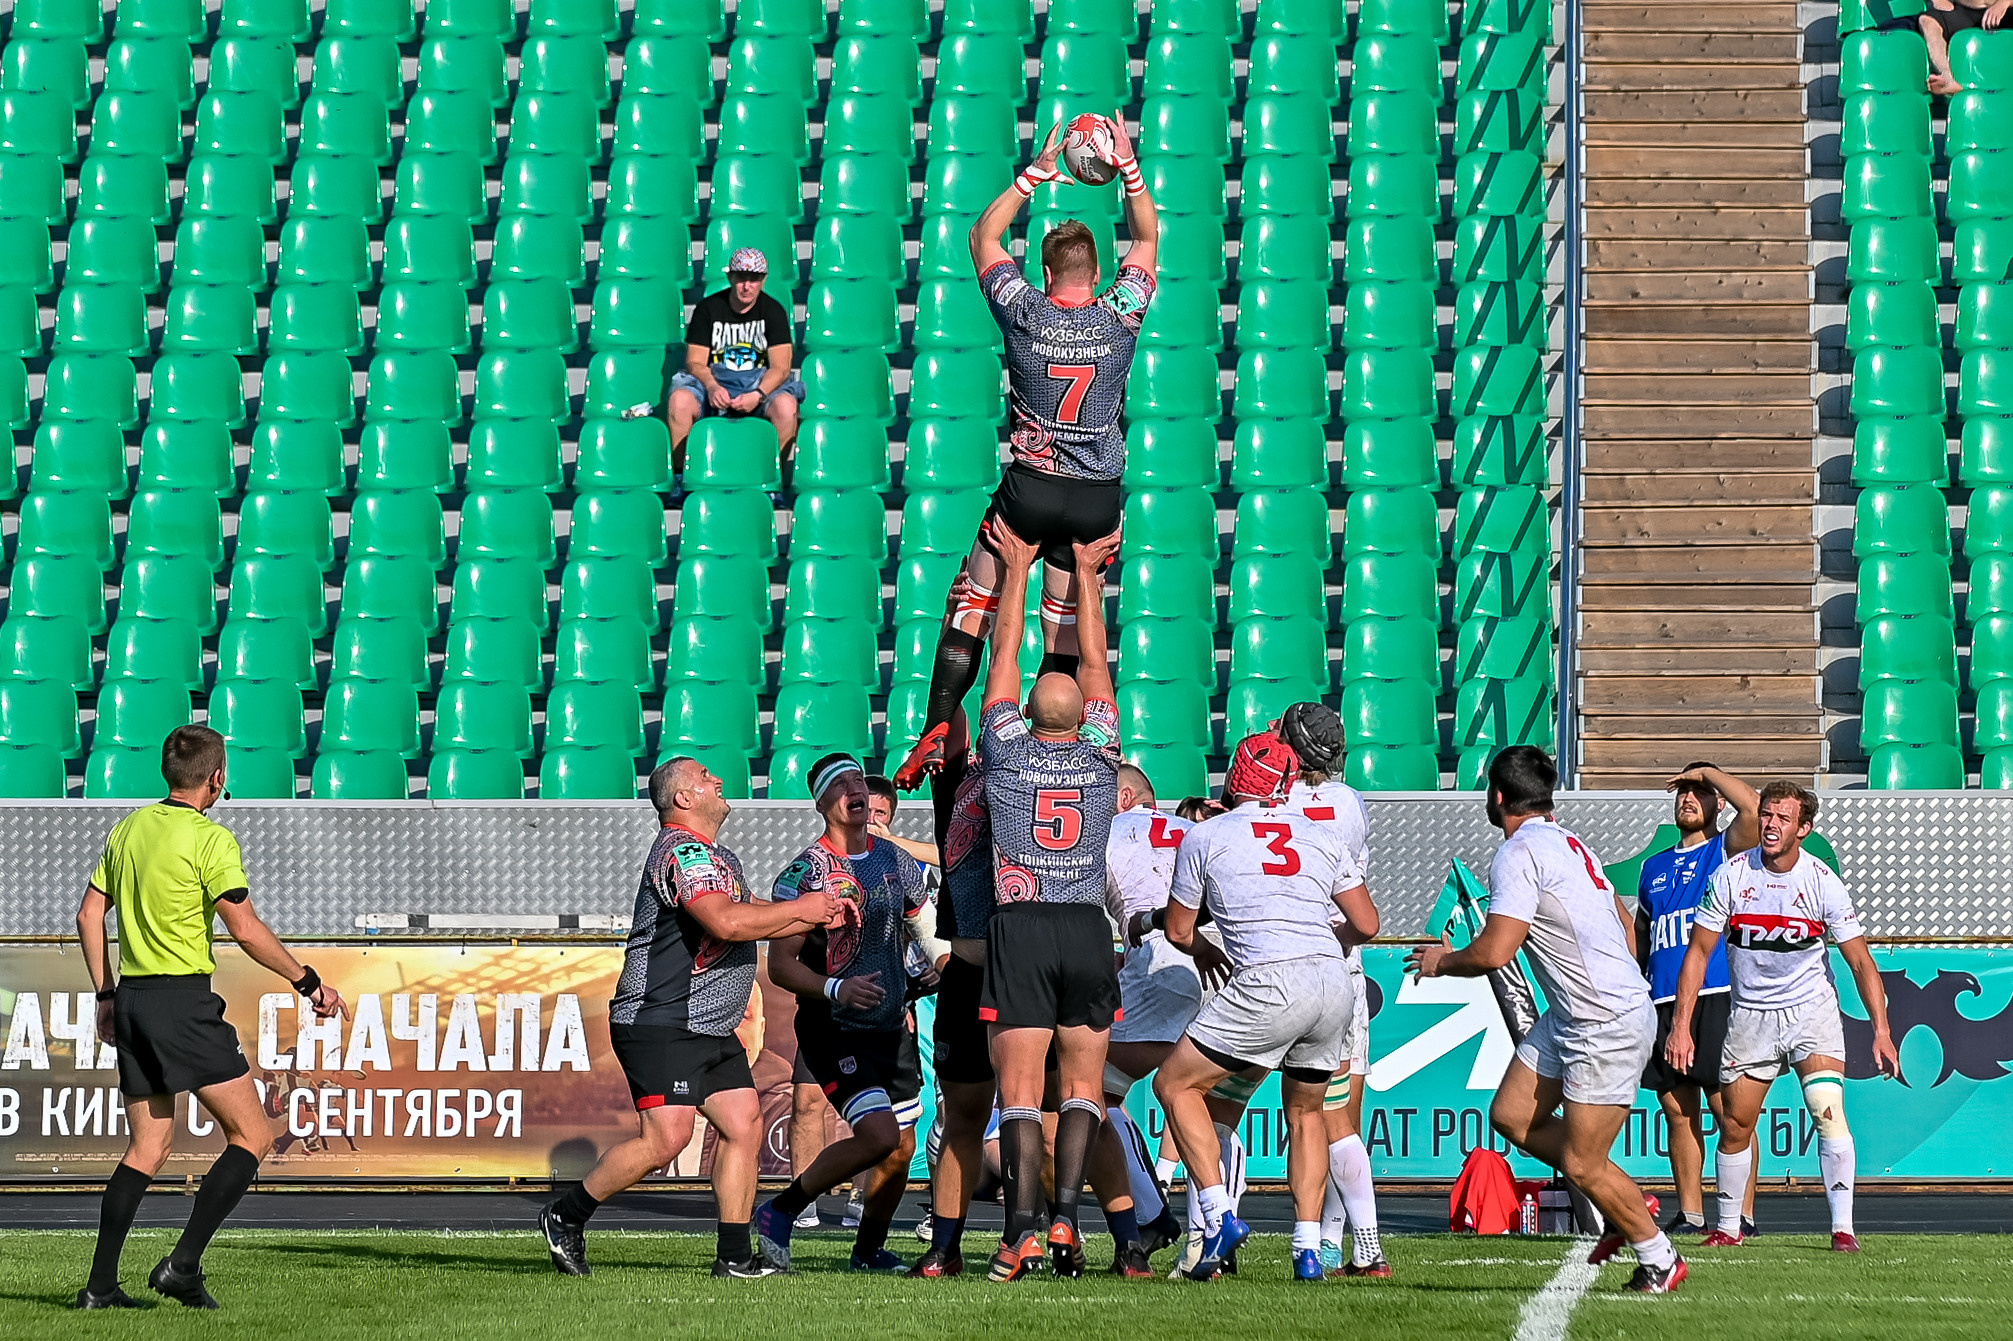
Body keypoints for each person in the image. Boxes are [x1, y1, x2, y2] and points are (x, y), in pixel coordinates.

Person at [891, 110, 1159, 791]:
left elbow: (982, 234)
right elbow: (1150, 236)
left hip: (1030, 488)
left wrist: (1040, 167)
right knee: (1064, 639)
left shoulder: (1023, 311)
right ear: (1098, 273)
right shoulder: (1120, 313)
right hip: (1096, 498)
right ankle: (1056, 755)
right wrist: (1126, 165)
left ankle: (941, 727)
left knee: (972, 605)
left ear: (1043, 271)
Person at [74, 725, 352, 1311]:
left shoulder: (128, 829)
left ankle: (100, 1288)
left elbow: (87, 915)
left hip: (133, 999)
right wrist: (307, 981)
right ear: (217, 778)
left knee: (147, 1149)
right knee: (252, 1135)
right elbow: (244, 928)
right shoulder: (211, 840)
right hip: (182, 1003)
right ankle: (181, 1266)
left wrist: (105, 996)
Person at [540, 757, 849, 1280]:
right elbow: (727, 922)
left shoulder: (718, 855)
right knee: (667, 1139)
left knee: (743, 1124)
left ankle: (732, 1257)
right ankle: (564, 1215)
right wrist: (808, 908)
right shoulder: (682, 851)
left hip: (707, 1025)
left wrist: (817, 914)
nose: (719, 779)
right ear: (683, 799)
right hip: (661, 1021)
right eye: (706, 776)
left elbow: (749, 913)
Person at [1406, 746, 1687, 1295]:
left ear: (1497, 797)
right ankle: (1619, 1194)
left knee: (1583, 1165)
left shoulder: (1516, 853)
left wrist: (1442, 961)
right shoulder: (1569, 841)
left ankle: (1658, 1256)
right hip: (1576, 1013)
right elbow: (1625, 924)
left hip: (1600, 1019)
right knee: (1511, 1116)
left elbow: (1494, 952)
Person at [1152, 731, 1380, 1284]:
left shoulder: (1206, 836)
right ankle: (1307, 1251)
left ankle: (1217, 1215)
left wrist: (1208, 947)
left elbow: (1180, 930)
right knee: (1306, 1116)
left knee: (1175, 1086)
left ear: (1234, 779)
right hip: (1332, 979)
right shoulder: (1321, 833)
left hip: (1266, 981)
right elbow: (1368, 925)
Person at [976, 520, 1126, 1281]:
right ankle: (1068, 1217)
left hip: (1021, 926)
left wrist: (1015, 570)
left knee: (1019, 1093)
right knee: (1082, 1088)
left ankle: (1021, 1230)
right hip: (1084, 926)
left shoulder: (1004, 749)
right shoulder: (1103, 758)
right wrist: (1089, 574)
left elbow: (1001, 655)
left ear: (1029, 712)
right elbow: (1094, 657)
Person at [1668, 781, 1902, 1253]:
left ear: (1803, 829)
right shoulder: (1732, 875)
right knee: (1734, 1127)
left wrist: (1882, 1030)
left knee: (1828, 1114)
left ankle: (1843, 1231)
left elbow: (1860, 962)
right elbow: (1697, 953)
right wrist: (1680, 1025)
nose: (1771, 825)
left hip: (1810, 1013)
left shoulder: (1821, 882)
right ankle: (1729, 1228)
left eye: (1782, 819)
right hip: (1751, 1015)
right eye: (1768, 816)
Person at [755, 755, 931, 1272]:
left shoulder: (897, 861)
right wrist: (836, 988)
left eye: (859, 779)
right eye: (841, 784)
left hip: (892, 1023)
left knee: (899, 1148)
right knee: (877, 1136)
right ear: (822, 804)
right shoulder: (804, 873)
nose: (855, 789)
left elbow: (921, 926)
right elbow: (782, 966)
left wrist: (939, 963)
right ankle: (780, 1211)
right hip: (835, 1026)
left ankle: (868, 1250)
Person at [1272, 701, 1388, 1279]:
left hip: (1271, 961)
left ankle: (1205, 1231)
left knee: (1216, 1101)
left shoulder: (1273, 802)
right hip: (1337, 962)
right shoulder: (1347, 803)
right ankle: (1358, 1247)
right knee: (1340, 1115)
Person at [1635, 763, 1762, 1237]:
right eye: (1683, 790)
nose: (1688, 797)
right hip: (1663, 998)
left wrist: (1709, 769)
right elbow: (1643, 936)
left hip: (1717, 994)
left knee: (1731, 1110)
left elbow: (1753, 806)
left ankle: (1741, 1214)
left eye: (1699, 791)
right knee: (1676, 1108)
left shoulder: (1726, 851)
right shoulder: (1654, 867)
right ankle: (1690, 1212)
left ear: (1717, 802)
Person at [1096, 762, 1204, 1276]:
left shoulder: (1107, 830)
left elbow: (1082, 917)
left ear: (1121, 798)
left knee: (1087, 1091)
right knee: (1209, 1100)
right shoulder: (1194, 830)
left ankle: (1150, 1211)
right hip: (1221, 963)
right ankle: (1212, 1235)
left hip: (1162, 963)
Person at [664, 246, 806, 466]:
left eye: (755, 279)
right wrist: (712, 386)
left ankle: (773, 475)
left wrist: (757, 394)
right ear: (730, 276)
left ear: (764, 279)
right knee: (679, 401)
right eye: (741, 278)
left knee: (786, 406)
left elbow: (781, 367)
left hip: (758, 382)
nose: (747, 286)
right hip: (715, 381)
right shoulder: (708, 308)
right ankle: (681, 474)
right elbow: (695, 361)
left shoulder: (773, 311)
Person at [1922, 0, 2009, 94]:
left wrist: (2004, 2)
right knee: (1927, 21)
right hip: (1964, 10)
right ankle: (1949, 78)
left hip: (2005, 10)